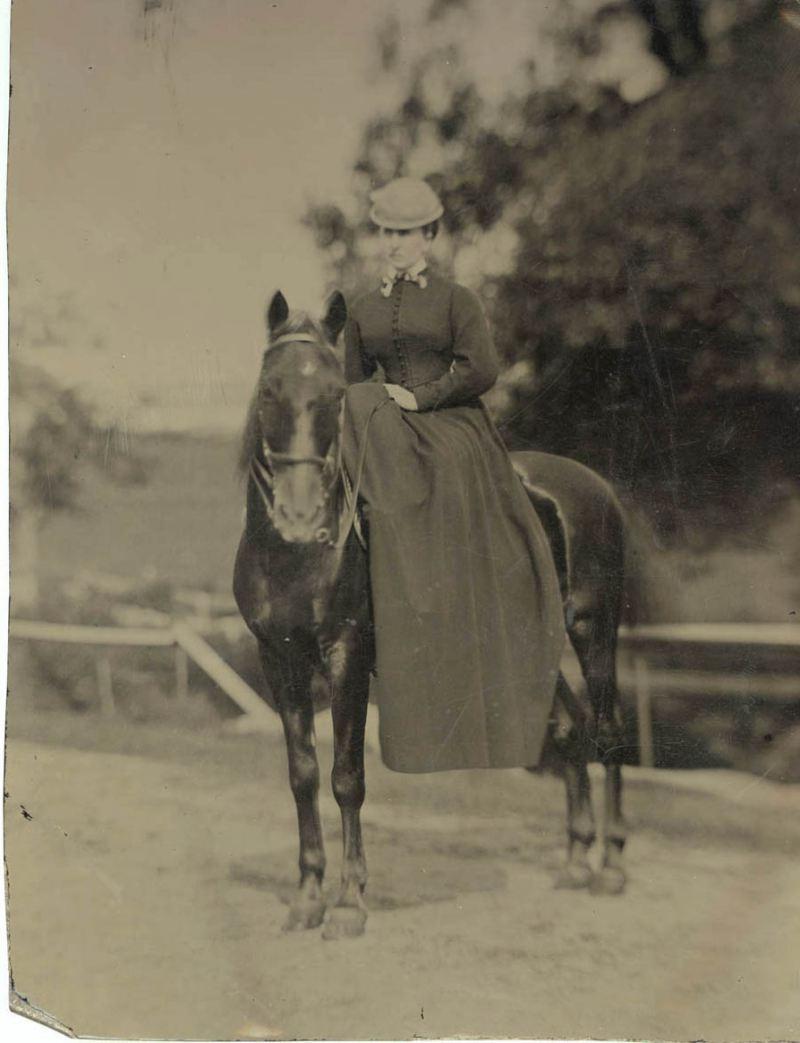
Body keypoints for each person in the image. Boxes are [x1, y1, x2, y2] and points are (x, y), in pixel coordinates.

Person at [342, 176, 565, 773]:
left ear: (429, 235)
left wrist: (421, 399)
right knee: (355, 407)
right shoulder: (362, 308)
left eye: (405, 233)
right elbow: (354, 383)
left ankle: (432, 579)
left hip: (450, 424)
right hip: (387, 430)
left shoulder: (455, 299)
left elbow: (482, 368)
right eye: (385, 232)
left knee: (414, 443)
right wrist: (381, 403)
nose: (392, 243)